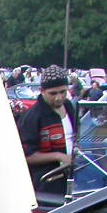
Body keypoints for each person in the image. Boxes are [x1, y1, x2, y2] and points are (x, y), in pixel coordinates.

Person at [18, 65, 77, 199]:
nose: (58, 98)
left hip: (70, 179)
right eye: (53, 93)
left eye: (62, 92)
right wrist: (59, 156)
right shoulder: (32, 117)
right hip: (46, 185)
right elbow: (25, 156)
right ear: (42, 91)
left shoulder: (69, 106)